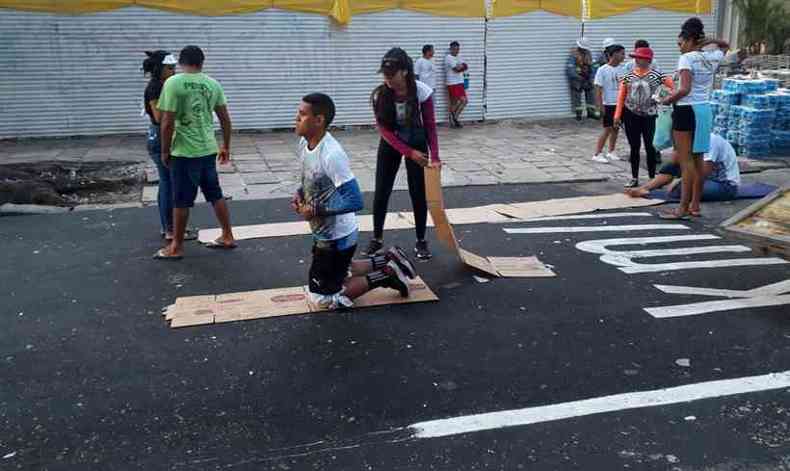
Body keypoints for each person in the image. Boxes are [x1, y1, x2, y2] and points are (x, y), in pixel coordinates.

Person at [292, 93, 416, 309]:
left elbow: (355, 200)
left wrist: (317, 209)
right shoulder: (305, 143)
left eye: (302, 114)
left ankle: (386, 274)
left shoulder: (332, 154)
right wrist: (300, 193)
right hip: (327, 233)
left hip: (337, 236)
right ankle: (388, 257)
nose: (296, 118)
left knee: (323, 299)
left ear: (319, 120)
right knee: (342, 269)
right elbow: (310, 177)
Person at [154, 45, 236, 260]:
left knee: (180, 200)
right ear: (202, 63)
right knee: (215, 194)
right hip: (208, 149)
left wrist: (164, 150)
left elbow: (167, 122)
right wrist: (225, 146)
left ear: (181, 62)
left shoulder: (173, 83)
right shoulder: (212, 84)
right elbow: (226, 119)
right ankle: (227, 235)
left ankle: (176, 247)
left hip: (184, 151)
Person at [364, 47, 441, 260]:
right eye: (385, 75)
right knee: (382, 190)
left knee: (418, 193)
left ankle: (421, 240)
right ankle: (377, 238)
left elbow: (430, 126)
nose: (388, 79)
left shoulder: (422, 91)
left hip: (416, 139)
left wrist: (434, 155)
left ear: (405, 71)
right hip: (391, 144)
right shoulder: (381, 94)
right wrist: (409, 153)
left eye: (392, 75)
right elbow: (383, 130)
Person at [659, 17, 729, 219]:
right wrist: (705, 42)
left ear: (689, 40)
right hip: (704, 110)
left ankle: (681, 208)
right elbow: (726, 45)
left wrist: (666, 101)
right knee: (698, 160)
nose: (680, 48)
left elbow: (684, 89)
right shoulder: (713, 56)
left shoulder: (687, 58)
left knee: (685, 161)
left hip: (686, 109)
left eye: (680, 43)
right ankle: (695, 206)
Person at [142, 50, 197, 243]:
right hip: (160, 137)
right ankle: (171, 229)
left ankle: (169, 226)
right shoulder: (156, 87)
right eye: (169, 68)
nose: (173, 71)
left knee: (168, 183)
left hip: (161, 136)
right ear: (159, 68)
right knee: (169, 184)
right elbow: (159, 117)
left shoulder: (164, 85)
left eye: (174, 67)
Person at [614, 47, 675, 188]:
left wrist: (663, 97)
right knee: (634, 147)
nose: (636, 60)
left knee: (650, 147)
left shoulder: (656, 76)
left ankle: (652, 177)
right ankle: (634, 177)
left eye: (639, 57)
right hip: (631, 114)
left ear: (648, 60)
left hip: (650, 115)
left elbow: (674, 87)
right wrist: (617, 115)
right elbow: (621, 96)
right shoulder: (628, 77)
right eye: (635, 57)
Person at [625, 133, 740, 201]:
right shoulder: (689, 139)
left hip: (724, 185)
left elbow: (704, 172)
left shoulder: (710, 141)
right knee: (670, 167)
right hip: (706, 178)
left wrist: (681, 180)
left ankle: (650, 194)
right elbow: (674, 161)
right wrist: (678, 146)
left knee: (681, 189)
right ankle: (645, 188)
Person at [592, 42, 626, 163]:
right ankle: (597, 153)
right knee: (607, 128)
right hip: (608, 104)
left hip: (620, 104)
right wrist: (599, 106)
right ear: (614, 54)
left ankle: (611, 151)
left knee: (616, 128)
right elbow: (597, 89)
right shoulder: (602, 70)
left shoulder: (623, 69)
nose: (624, 56)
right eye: (622, 54)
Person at [567, 37, 598, 121]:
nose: (584, 50)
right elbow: (570, 69)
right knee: (577, 98)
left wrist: (592, 77)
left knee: (591, 96)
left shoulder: (589, 54)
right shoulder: (574, 54)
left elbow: (593, 66)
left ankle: (591, 113)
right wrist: (577, 77)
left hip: (587, 78)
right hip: (577, 79)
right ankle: (578, 114)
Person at [445, 41, 468, 128]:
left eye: (458, 49)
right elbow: (456, 69)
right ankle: (454, 118)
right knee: (460, 101)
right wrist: (463, 66)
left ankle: (454, 119)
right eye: (454, 49)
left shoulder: (459, 56)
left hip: (460, 82)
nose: (456, 51)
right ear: (450, 49)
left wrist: (463, 66)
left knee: (460, 102)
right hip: (452, 83)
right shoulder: (448, 58)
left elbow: (465, 66)